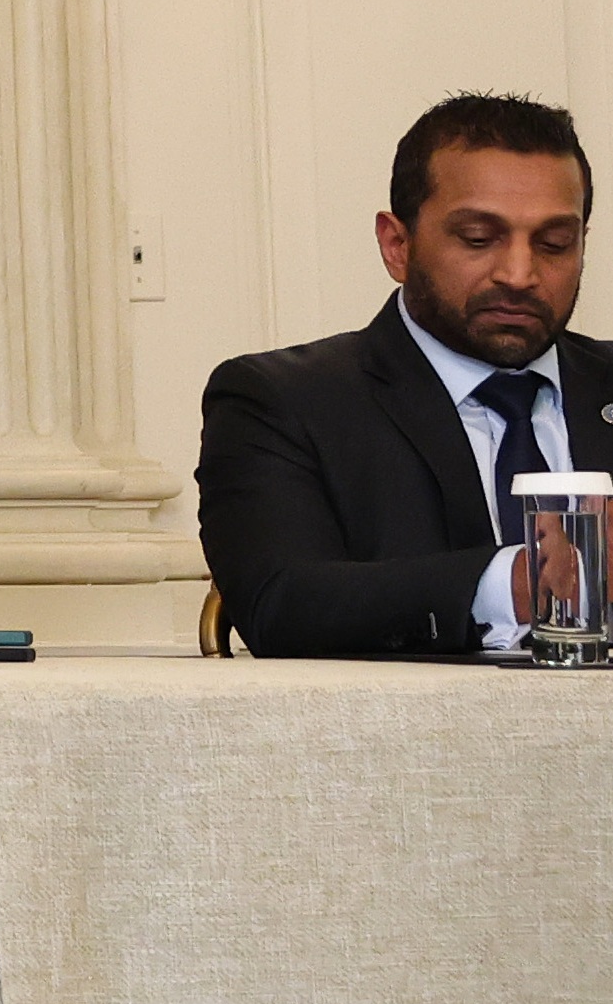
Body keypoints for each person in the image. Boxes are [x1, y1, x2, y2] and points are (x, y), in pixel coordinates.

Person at [197, 91, 605, 657]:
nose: (520, 273)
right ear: (397, 245)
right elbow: (280, 603)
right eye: (479, 239)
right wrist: (517, 583)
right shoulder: (283, 401)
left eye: (554, 243)